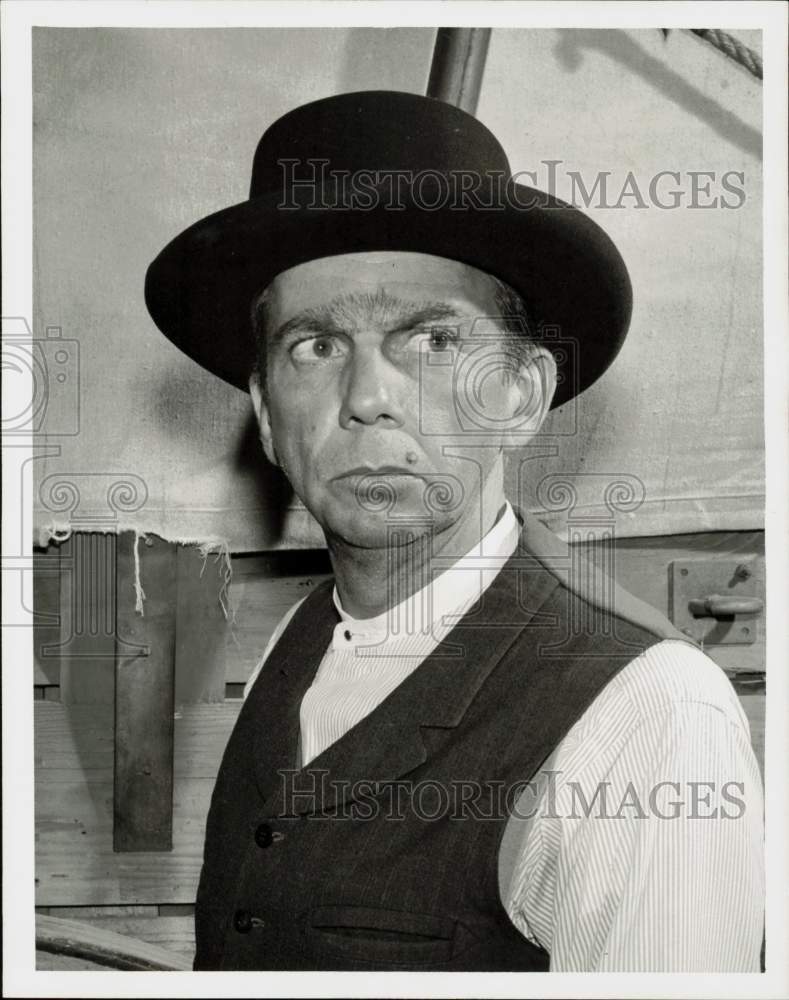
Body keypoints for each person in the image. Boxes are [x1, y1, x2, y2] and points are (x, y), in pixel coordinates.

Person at [145, 91, 764, 972]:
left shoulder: (646, 714)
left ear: (521, 394)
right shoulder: (304, 635)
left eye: (432, 340)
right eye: (314, 347)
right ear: (266, 415)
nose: (366, 398)